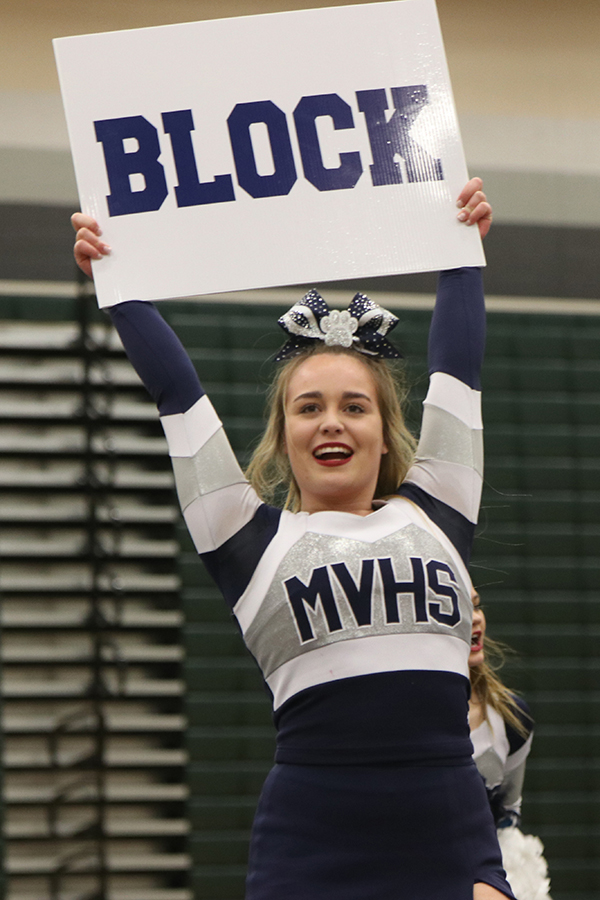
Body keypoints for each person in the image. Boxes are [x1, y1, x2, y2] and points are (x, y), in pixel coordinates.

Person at [72, 178, 513, 899]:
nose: (332, 422)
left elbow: (458, 372)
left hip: (447, 833)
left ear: (385, 430)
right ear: (284, 435)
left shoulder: (440, 506)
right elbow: (177, 395)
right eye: (309, 407)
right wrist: (117, 282)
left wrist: (459, 247)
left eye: (354, 406)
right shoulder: (244, 537)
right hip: (314, 841)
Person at [469, 589, 552, 900]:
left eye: (477, 606)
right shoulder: (398, 717)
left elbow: (506, 815)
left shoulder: (510, 717)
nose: (475, 618)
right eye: (459, 607)